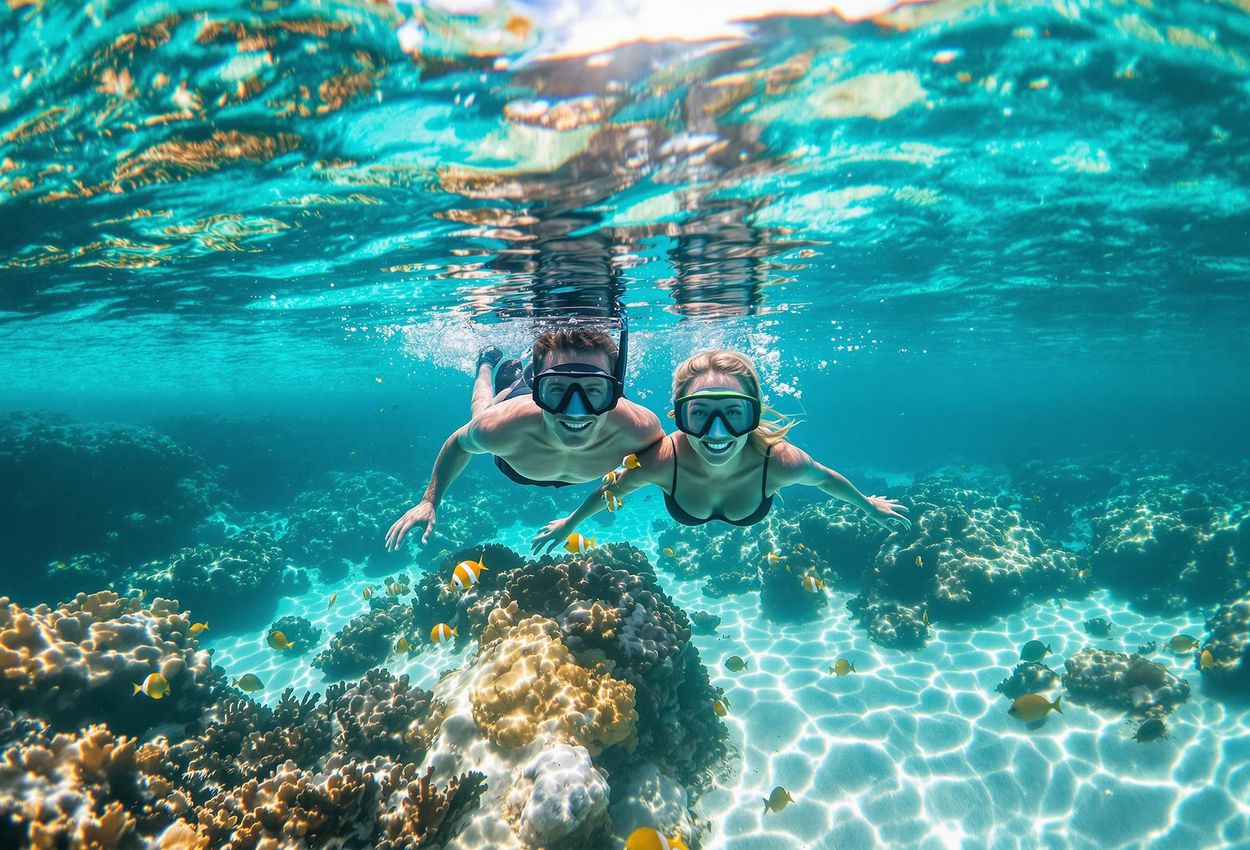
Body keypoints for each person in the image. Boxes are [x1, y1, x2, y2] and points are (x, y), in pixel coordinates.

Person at [532, 349, 910, 553]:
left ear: (755, 413)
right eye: (699, 415)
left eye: (733, 413)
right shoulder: (665, 460)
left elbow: (825, 479)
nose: (716, 433)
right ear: (678, 416)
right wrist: (570, 523)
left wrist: (868, 505)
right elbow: (610, 492)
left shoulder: (777, 461)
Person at [385, 323, 663, 550]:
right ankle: (486, 363)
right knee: (481, 413)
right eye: (556, 389)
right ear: (537, 389)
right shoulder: (501, 426)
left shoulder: (640, 428)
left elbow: (637, 477)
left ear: (614, 390)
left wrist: (572, 522)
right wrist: (429, 500)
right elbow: (459, 443)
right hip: (514, 455)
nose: (576, 413)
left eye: (593, 391)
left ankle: (534, 379)